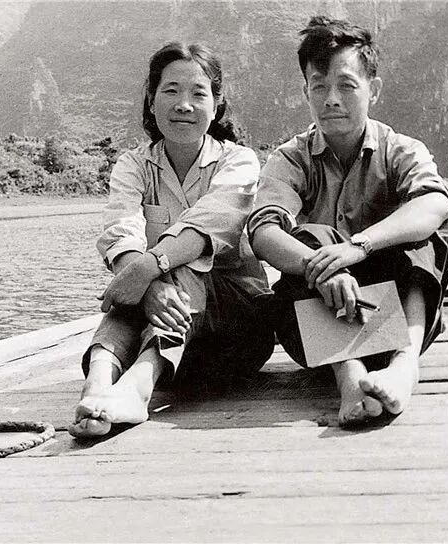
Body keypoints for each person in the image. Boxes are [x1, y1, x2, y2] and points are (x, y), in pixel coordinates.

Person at [247, 17, 448, 427]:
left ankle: (404, 367)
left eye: (346, 85)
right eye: (319, 87)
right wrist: (322, 267)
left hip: (394, 319)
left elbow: (436, 203)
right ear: (305, 92)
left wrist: (359, 246)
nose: (331, 99)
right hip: (319, 327)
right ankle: (350, 378)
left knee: (424, 240)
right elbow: (264, 231)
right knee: (308, 238)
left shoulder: (399, 150)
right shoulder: (291, 158)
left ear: (373, 90)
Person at [69, 42, 274, 438]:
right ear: (151, 100)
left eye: (198, 93)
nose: (184, 105)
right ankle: (97, 383)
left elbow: (207, 226)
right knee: (136, 281)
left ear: (217, 104)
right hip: (178, 350)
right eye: (171, 91)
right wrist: (145, 284)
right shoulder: (134, 165)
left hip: (235, 336)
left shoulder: (239, 161)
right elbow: (120, 232)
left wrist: (149, 268)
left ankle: (137, 386)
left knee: (174, 266)